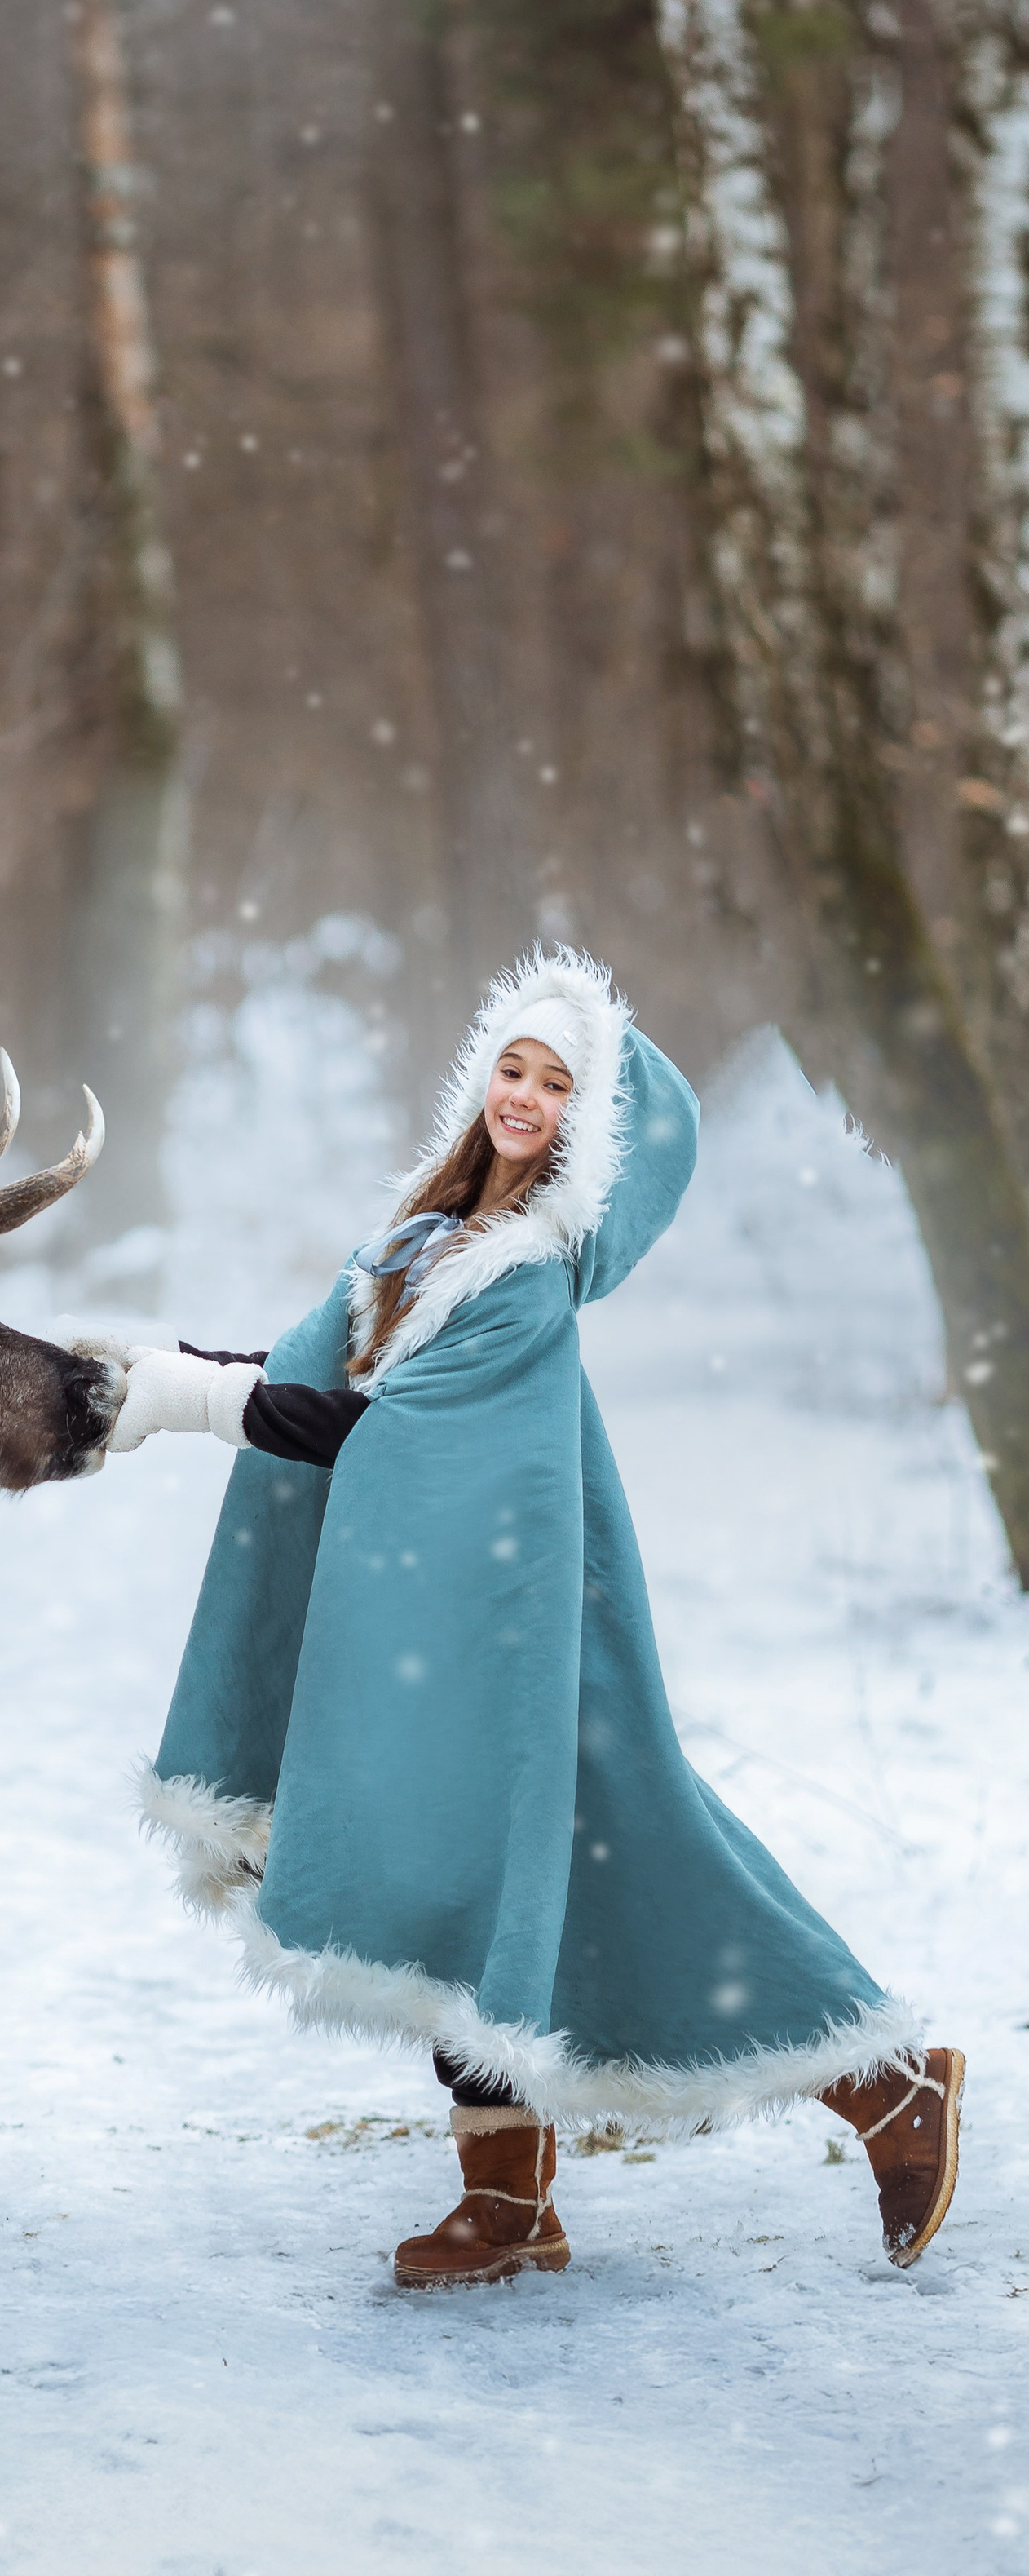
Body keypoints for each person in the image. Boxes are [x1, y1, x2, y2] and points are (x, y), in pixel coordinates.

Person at [105, 949, 963, 2289]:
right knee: (466, 1892)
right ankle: (510, 2206)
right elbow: (316, 1375)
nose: (523, 1095)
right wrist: (192, 1376)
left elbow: (393, 1444)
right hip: (461, 1629)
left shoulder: (524, 1276)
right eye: (512, 1066)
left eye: (558, 1084)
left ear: (588, 1127)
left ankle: (888, 2082)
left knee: (630, 1870)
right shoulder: (422, 1233)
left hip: (521, 1641)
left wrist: (192, 1401)